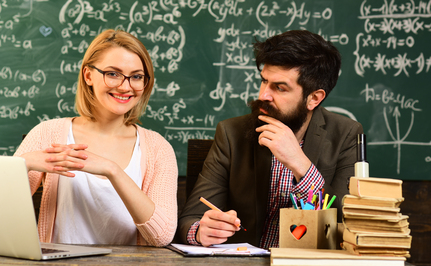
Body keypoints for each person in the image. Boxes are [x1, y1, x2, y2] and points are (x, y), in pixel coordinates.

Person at [177, 30, 363, 249]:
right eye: (264, 81)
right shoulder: (231, 133)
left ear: (314, 98)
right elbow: (191, 218)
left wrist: (300, 164)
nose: (264, 94)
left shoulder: (347, 135)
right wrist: (200, 231)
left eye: (279, 87)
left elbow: (350, 222)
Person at [14, 29, 178, 247]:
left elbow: (162, 235)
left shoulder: (158, 148)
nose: (125, 86)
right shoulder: (48, 133)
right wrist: (23, 164)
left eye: (137, 77)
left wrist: (112, 170)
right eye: (113, 73)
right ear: (88, 75)